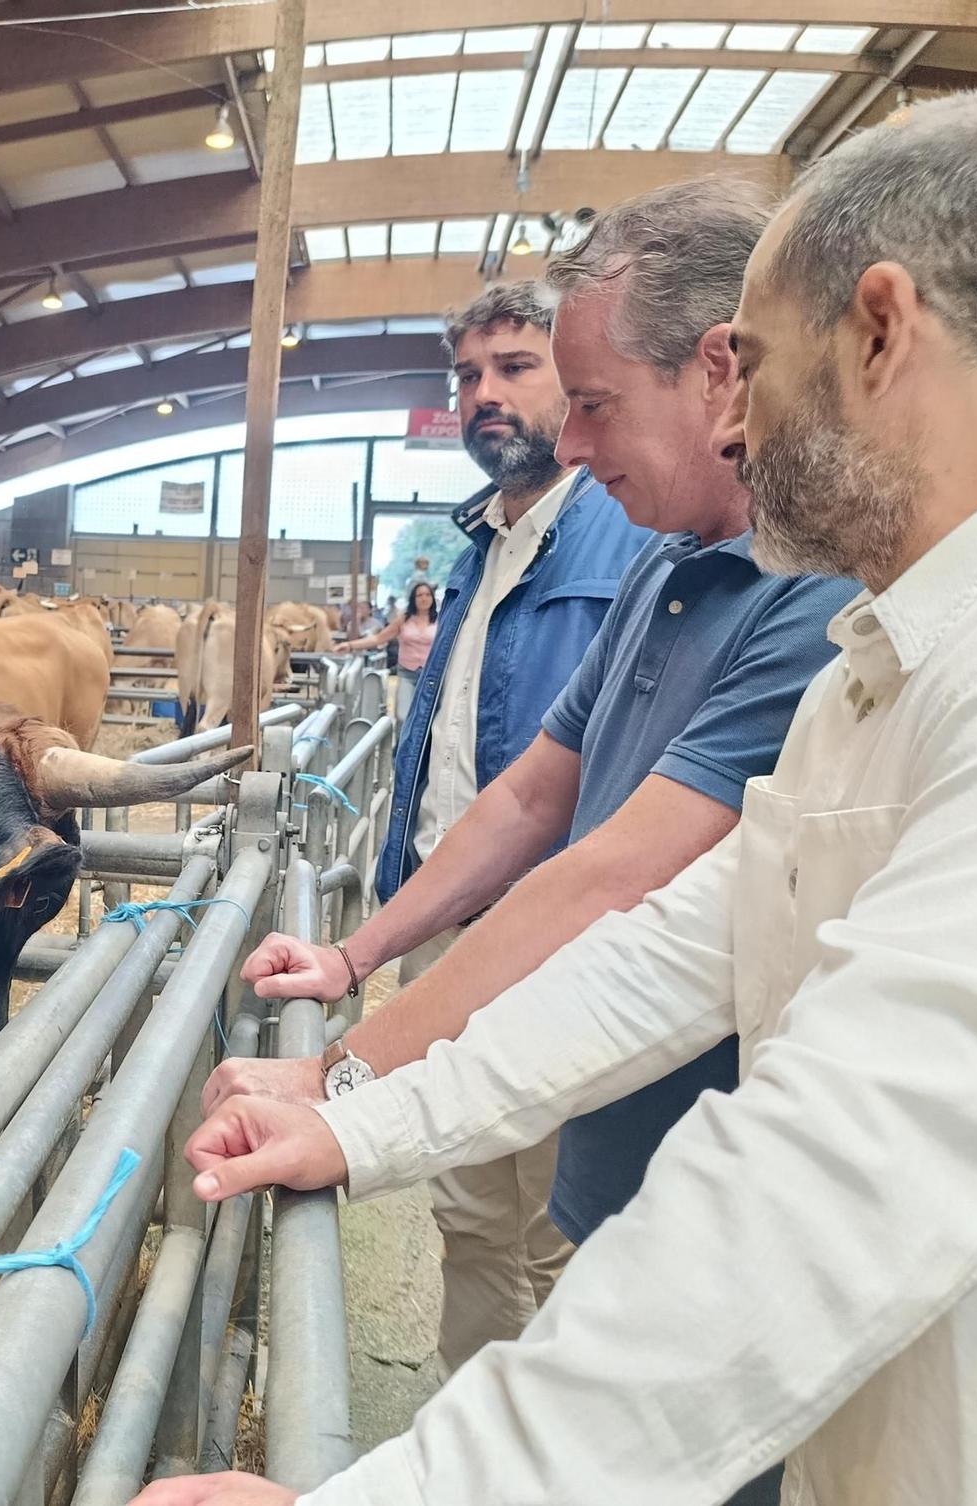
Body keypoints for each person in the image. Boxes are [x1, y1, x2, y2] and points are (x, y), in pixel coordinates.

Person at [136, 90, 977, 1506]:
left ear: (881, 332)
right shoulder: (887, 662)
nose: (732, 417)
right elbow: (672, 948)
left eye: (751, 361)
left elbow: (845, 1164)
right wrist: (367, 1117)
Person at [219, 178, 865, 1443]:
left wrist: (348, 1075)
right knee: (527, 1299)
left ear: (723, 372)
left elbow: (611, 881)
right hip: (603, 1107)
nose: (570, 445)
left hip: (710, 1157)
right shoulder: (668, 565)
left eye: (589, 401)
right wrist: (359, 970)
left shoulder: (811, 598)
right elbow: (534, 797)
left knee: (616, 1384)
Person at [315, 279, 654, 1380]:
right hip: (449, 916)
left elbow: (549, 793)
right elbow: (470, 770)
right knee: (468, 1208)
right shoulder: (478, 548)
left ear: (576, 381)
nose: (482, 396)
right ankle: (466, 1439)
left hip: (565, 933)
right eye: (465, 376)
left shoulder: (626, 536)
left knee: (565, 1226)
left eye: (513, 368)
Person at [337, 581, 438, 721]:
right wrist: (350, 645)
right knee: (403, 716)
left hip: (431, 675)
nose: (424, 598)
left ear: (432, 598)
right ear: (413, 599)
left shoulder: (441, 620)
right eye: (419, 595)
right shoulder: (404, 619)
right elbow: (378, 638)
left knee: (428, 718)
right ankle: (402, 742)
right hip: (407, 674)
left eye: (427, 595)